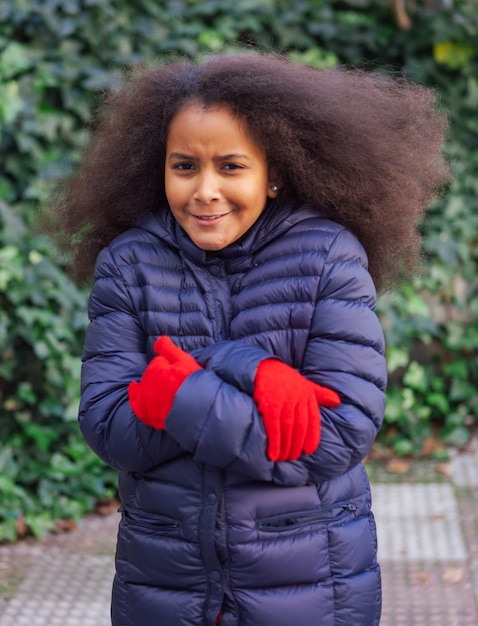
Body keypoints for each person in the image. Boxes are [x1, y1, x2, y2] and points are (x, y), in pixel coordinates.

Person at [49, 52, 449, 626]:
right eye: (184, 165)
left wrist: (190, 388)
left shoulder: (327, 258)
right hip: (167, 582)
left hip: (312, 580)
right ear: (155, 167)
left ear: (275, 171)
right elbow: (111, 425)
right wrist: (254, 383)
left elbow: (336, 436)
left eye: (231, 166)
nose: (205, 190)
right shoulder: (129, 264)